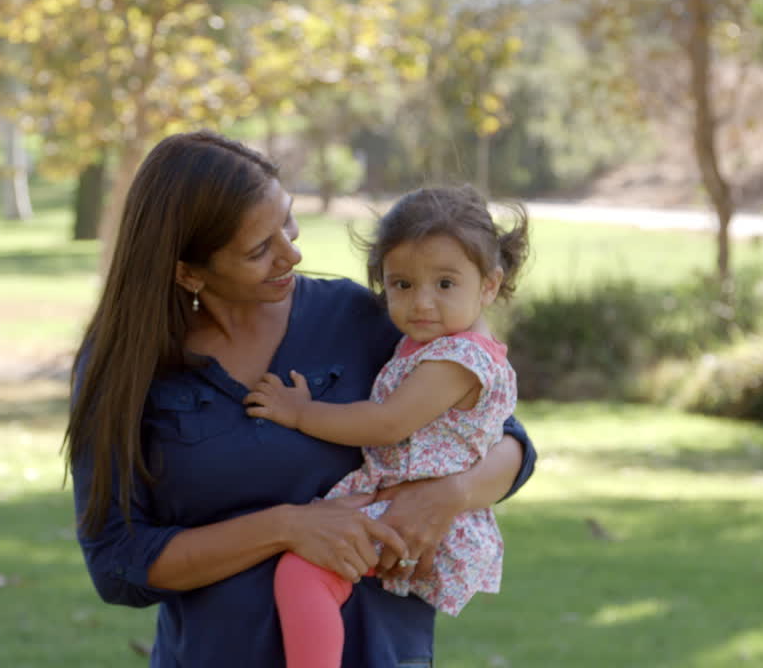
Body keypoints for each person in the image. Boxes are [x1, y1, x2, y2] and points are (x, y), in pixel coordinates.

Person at [67, 131, 537, 668]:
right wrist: (286, 527)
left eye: (287, 222)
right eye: (258, 250)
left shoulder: (358, 320)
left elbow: (506, 439)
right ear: (189, 271)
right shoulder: (128, 368)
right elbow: (118, 563)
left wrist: (450, 494)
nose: (292, 253)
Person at [243, 185, 527, 668]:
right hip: (398, 500)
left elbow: (386, 424)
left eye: (445, 284)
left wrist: (299, 413)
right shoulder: (440, 342)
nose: (422, 303)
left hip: (412, 513)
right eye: (402, 284)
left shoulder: (457, 359)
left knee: (302, 574)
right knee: (317, 572)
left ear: (488, 285)